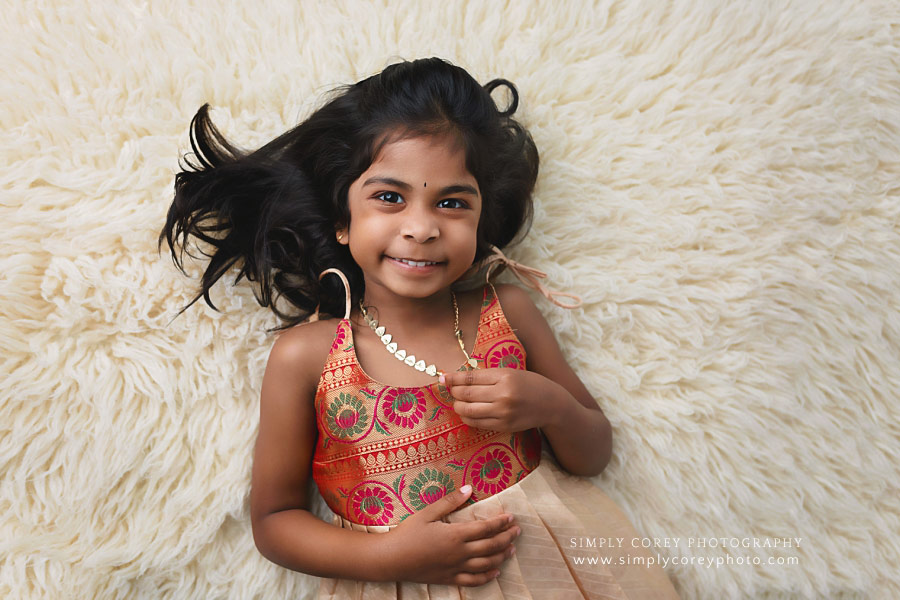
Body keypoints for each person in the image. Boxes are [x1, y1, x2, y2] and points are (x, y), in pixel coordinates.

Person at [159, 57, 680, 598]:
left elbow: (593, 455)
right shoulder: (307, 357)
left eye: (452, 203)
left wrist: (548, 406)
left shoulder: (508, 312)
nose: (422, 228)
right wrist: (385, 556)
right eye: (389, 197)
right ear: (343, 219)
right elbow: (274, 521)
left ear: (481, 219)